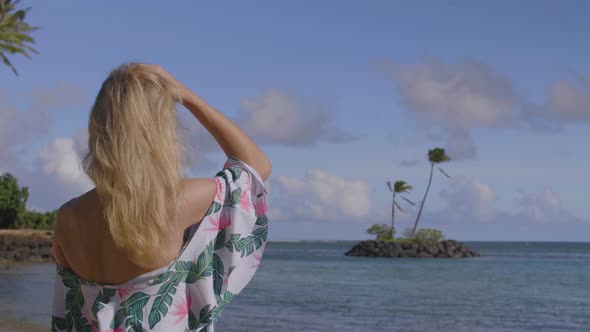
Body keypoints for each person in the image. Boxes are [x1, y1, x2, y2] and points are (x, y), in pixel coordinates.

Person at [51, 63, 271, 332]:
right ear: (159, 129)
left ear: (99, 125)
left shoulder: (69, 216)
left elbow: (69, 311)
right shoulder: (178, 201)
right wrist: (187, 96)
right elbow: (256, 167)